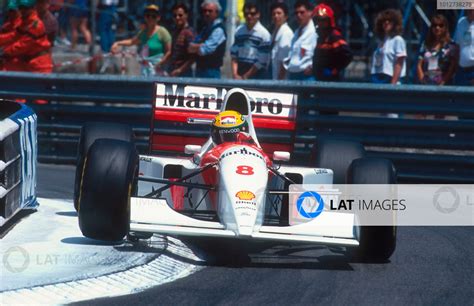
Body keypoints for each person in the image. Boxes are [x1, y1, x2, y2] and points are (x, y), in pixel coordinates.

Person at [111, 4, 172, 76]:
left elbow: (169, 52)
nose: (150, 18)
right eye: (148, 16)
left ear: (158, 18)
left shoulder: (162, 32)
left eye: (153, 16)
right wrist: (117, 43)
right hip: (146, 68)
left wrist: (160, 63)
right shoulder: (143, 32)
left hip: (158, 69)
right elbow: (132, 41)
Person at [2, 0, 53, 73]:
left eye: (26, 8)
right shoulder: (25, 22)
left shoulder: (35, 24)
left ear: (32, 8)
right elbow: (14, 36)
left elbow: (23, 44)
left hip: (40, 64)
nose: (23, 10)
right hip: (29, 62)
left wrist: (5, 52)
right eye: (21, 8)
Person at [312, 3, 352, 81]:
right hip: (319, 77)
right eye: (318, 20)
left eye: (323, 20)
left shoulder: (334, 36)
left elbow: (348, 55)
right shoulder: (319, 36)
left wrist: (335, 70)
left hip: (331, 79)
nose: (320, 23)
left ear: (329, 21)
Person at [230, 2, 271, 80]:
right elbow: (234, 54)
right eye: (246, 14)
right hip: (240, 73)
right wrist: (235, 74)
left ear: (258, 14)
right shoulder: (239, 31)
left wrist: (246, 76)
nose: (249, 16)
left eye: (252, 13)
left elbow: (262, 61)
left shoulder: (264, 34)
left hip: (257, 75)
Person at [187, 0, 226, 79]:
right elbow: (190, 47)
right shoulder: (205, 28)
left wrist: (199, 46)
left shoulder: (219, 30)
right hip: (200, 70)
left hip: (211, 72)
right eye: (205, 11)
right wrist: (200, 45)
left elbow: (204, 50)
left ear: (217, 13)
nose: (207, 13)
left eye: (210, 11)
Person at [417, 14, 458, 86]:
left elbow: (453, 66)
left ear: (445, 27)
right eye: (434, 25)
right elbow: (419, 64)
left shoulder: (451, 45)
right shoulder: (425, 44)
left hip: (444, 85)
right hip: (427, 84)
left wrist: (443, 81)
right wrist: (422, 79)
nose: (437, 28)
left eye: (441, 25)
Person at [370, 9, 407, 84]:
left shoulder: (398, 40)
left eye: (390, 21)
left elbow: (399, 63)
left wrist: (393, 83)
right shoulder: (382, 40)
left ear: (395, 23)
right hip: (377, 77)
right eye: (384, 21)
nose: (386, 22)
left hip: (389, 78)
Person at [283, 0, 317, 81]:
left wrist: (314, 67)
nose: (298, 15)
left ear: (310, 13)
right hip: (293, 74)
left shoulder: (314, 33)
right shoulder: (296, 32)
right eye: (296, 13)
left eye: (302, 12)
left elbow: (319, 55)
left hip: (306, 77)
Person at [168, 3, 195, 77]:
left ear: (186, 15)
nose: (177, 18)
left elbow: (193, 57)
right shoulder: (175, 32)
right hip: (173, 71)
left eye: (180, 15)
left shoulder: (189, 33)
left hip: (184, 73)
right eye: (175, 15)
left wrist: (180, 70)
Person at [270, 2, 293, 80]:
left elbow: (285, 62)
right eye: (274, 14)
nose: (276, 16)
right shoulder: (275, 32)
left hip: (282, 80)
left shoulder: (286, 33)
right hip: (274, 76)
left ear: (285, 16)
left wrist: (279, 82)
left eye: (279, 13)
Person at [454, 10, 474, 86]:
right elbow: (457, 45)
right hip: (461, 70)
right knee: (459, 97)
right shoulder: (461, 22)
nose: (471, 11)